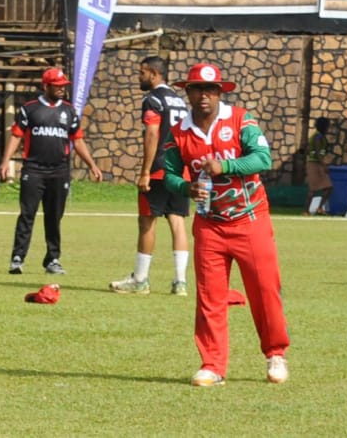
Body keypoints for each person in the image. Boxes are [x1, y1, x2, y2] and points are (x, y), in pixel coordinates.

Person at [159, 62, 290, 387]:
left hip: (250, 219)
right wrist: (185, 188)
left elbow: (263, 159)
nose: (204, 96)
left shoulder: (241, 120)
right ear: (187, 92)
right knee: (209, 295)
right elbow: (170, 176)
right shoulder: (179, 133)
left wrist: (224, 165)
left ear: (220, 92)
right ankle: (212, 364)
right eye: (198, 89)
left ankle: (275, 354)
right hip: (209, 224)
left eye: (211, 89)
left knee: (265, 290)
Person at [0, 66, 103, 275]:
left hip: (59, 171)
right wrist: (5, 161)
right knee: (27, 214)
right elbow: (17, 136)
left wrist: (92, 164)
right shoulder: (29, 109)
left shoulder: (68, 110)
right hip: (34, 170)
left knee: (54, 216)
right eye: (57, 86)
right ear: (45, 86)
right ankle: (18, 258)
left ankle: (52, 259)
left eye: (63, 86)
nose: (61, 89)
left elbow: (78, 140)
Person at [112, 56, 191, 296]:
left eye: (142, 72)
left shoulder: (153, 99)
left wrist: (145, 171)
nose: (139, 77)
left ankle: (141, 280)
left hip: (158, 169)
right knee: (177, 222)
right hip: (180, 171)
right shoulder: (180, 101)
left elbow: (152, 134)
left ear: (154, 74)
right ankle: (180, 283)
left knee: (147, 221)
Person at [303, 117, 335, 216]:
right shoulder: (317, 137)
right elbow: (317, 152)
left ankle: (319, 208)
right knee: (313, 189)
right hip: (314, 164)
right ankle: (306, 210)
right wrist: (323, 165)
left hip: (317, 163)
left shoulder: (319, 136)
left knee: (328, 187)